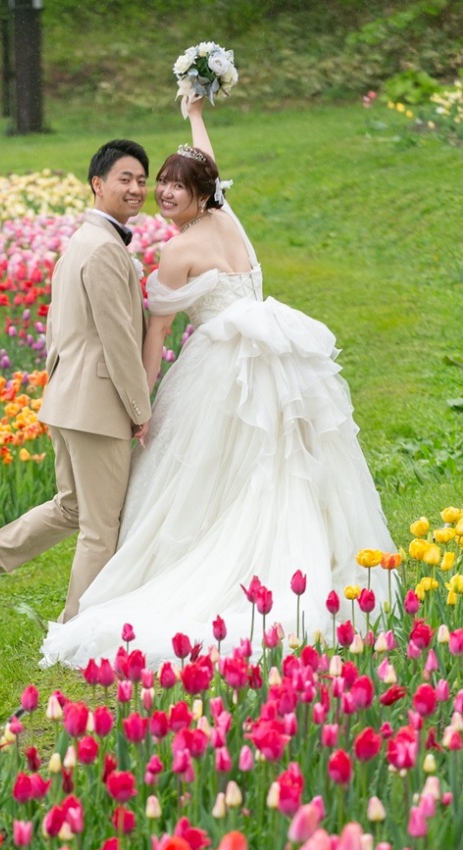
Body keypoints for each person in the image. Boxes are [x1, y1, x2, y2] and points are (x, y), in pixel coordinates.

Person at [39, 100, 394, 668]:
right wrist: (196, 113)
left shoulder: (176, 251)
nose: (163, 194)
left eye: (176, 187)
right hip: (271, 360)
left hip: (221, 368)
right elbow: (206, 160)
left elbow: (155, 337)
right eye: (160, 184)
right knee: (268, 463)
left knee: (238, 468)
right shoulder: (227, 220)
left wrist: (142, 406)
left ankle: (238, 570)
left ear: (201, 193)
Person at [0, 140, 152, 634]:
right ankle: (78, 632)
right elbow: (119, 339)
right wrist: (139, 408)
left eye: (142, 180)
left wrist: (63, 386)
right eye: (125, 178)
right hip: (98, 404)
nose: (136, 188)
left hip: (69, 400)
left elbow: (57, 330)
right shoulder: (103, 249)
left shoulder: (82, 241)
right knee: (100, 530)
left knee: (73, 508)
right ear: (97, 184)